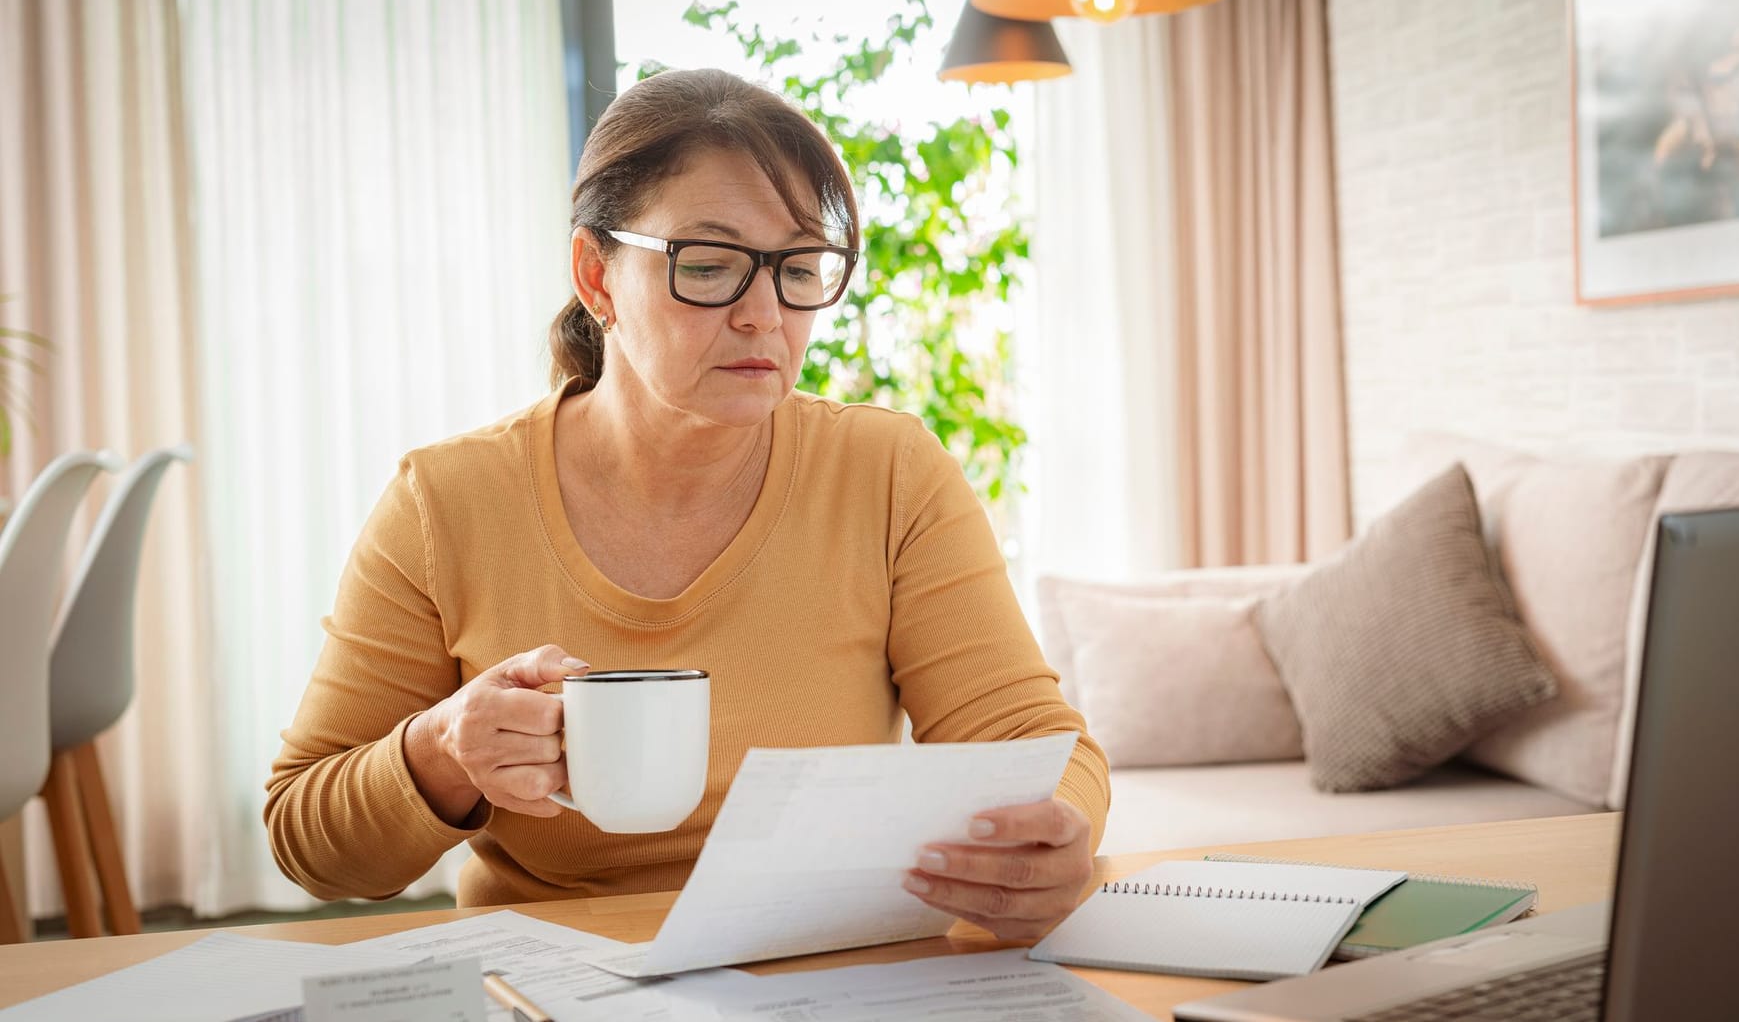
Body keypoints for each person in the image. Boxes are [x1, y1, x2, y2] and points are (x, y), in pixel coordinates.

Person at [265, 69, 1110, 942]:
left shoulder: (887, 473)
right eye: (708, 267)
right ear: (597, 276)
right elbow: (309, 844)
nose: (763, 315)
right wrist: (439, 753)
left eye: (799, 268)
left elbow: (1033, 741)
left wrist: (1054, 832)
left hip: (824, 974)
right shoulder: (446, 503)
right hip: (561, 984)